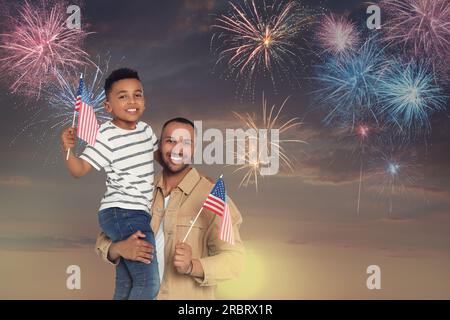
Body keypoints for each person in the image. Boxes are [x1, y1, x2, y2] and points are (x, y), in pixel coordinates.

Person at [95, 117, 245, 299]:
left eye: (186, 142)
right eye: (170, 141)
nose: (177, 149)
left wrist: (193, 266)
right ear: (159, 146)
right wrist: (118, 249)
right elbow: (103, 240)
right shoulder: (137, 188)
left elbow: (235, 260)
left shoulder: (213, 196)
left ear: (194, 149)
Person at [60, 68, 160, 300]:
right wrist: (67, 149)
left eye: (138, 94)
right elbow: (79, 170)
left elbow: (161, 158)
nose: (132, 101)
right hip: (122, 211)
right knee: (148, 283)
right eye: (123, 96)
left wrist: (180, 149)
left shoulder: (146, 131)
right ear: (108, 107)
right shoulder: (105, 135)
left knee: (127, 282)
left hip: (139, 213)